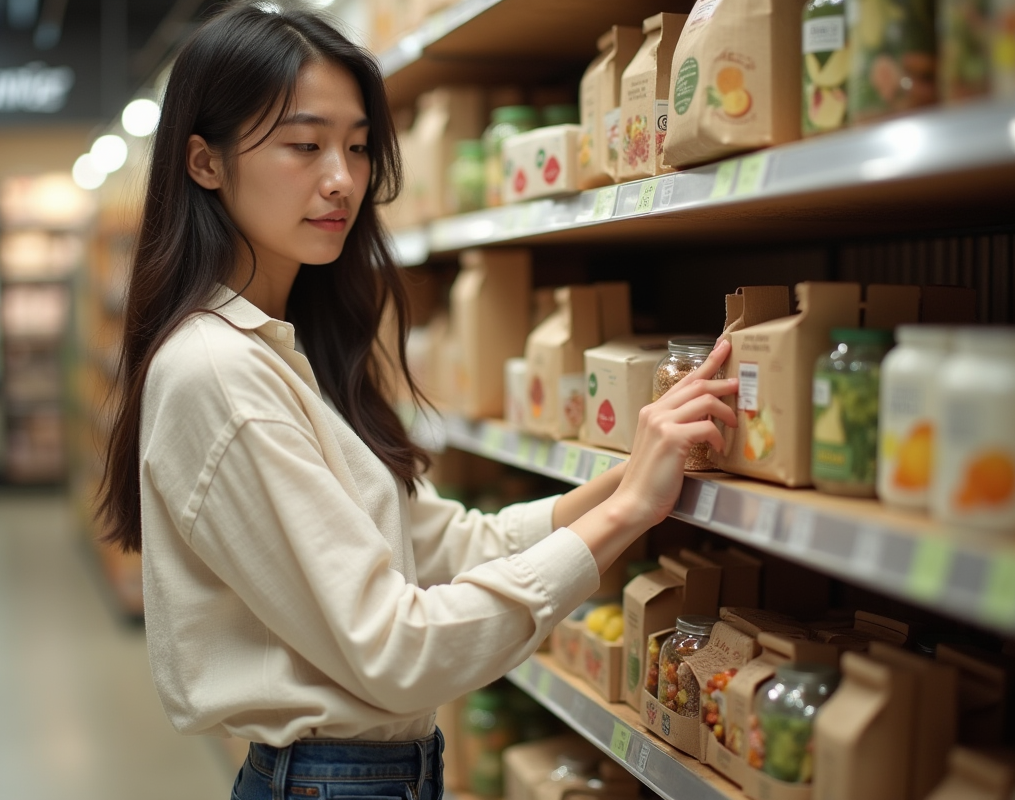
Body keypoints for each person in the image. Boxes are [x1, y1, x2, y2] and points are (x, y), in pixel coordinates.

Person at [98, 3, 738, 799]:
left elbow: (442, 545)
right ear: (205, 162)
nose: (343, 179)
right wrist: (625, 514)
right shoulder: (216, 372)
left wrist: (627, 482)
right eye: (304, 145)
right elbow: (396, 649)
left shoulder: (291, 349)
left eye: (359, 148)